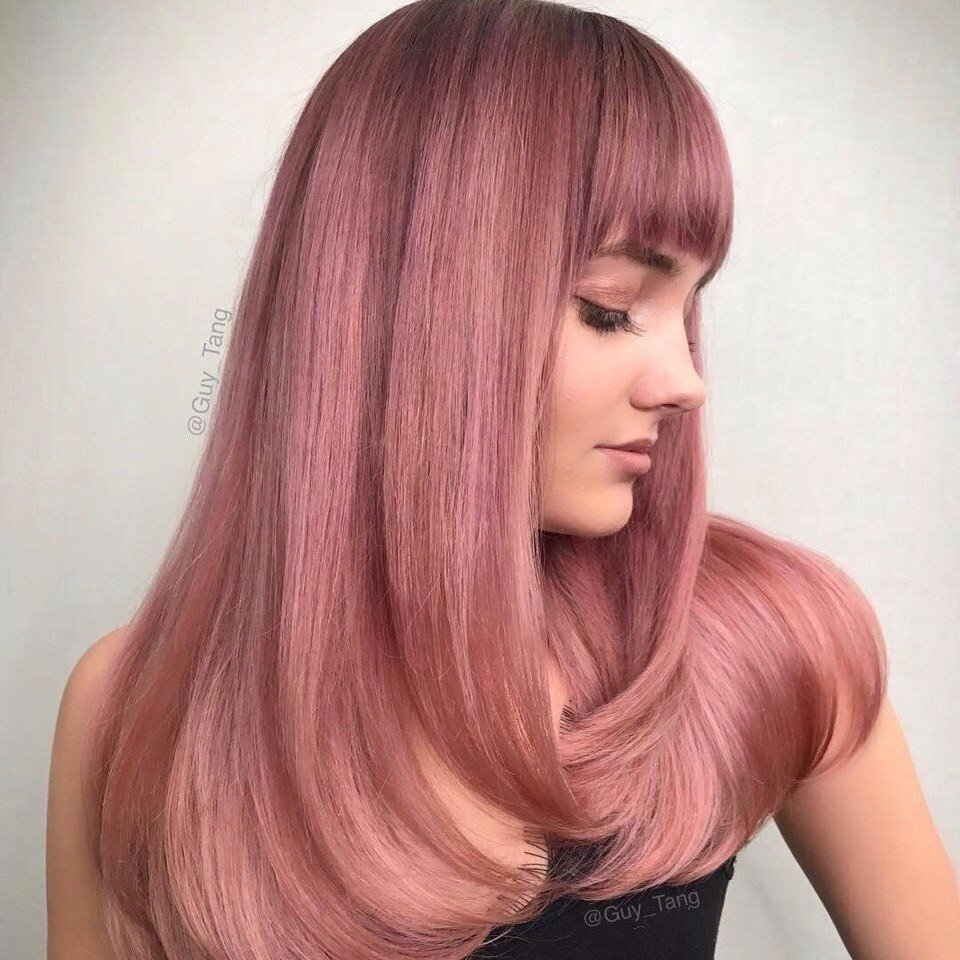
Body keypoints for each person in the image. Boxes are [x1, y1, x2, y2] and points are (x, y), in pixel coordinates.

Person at [46, 1, 960, 958]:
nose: (687, 382)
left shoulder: (769, 635)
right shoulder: (141, 709)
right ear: (402, 305)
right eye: (612, 305)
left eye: (686, 310)